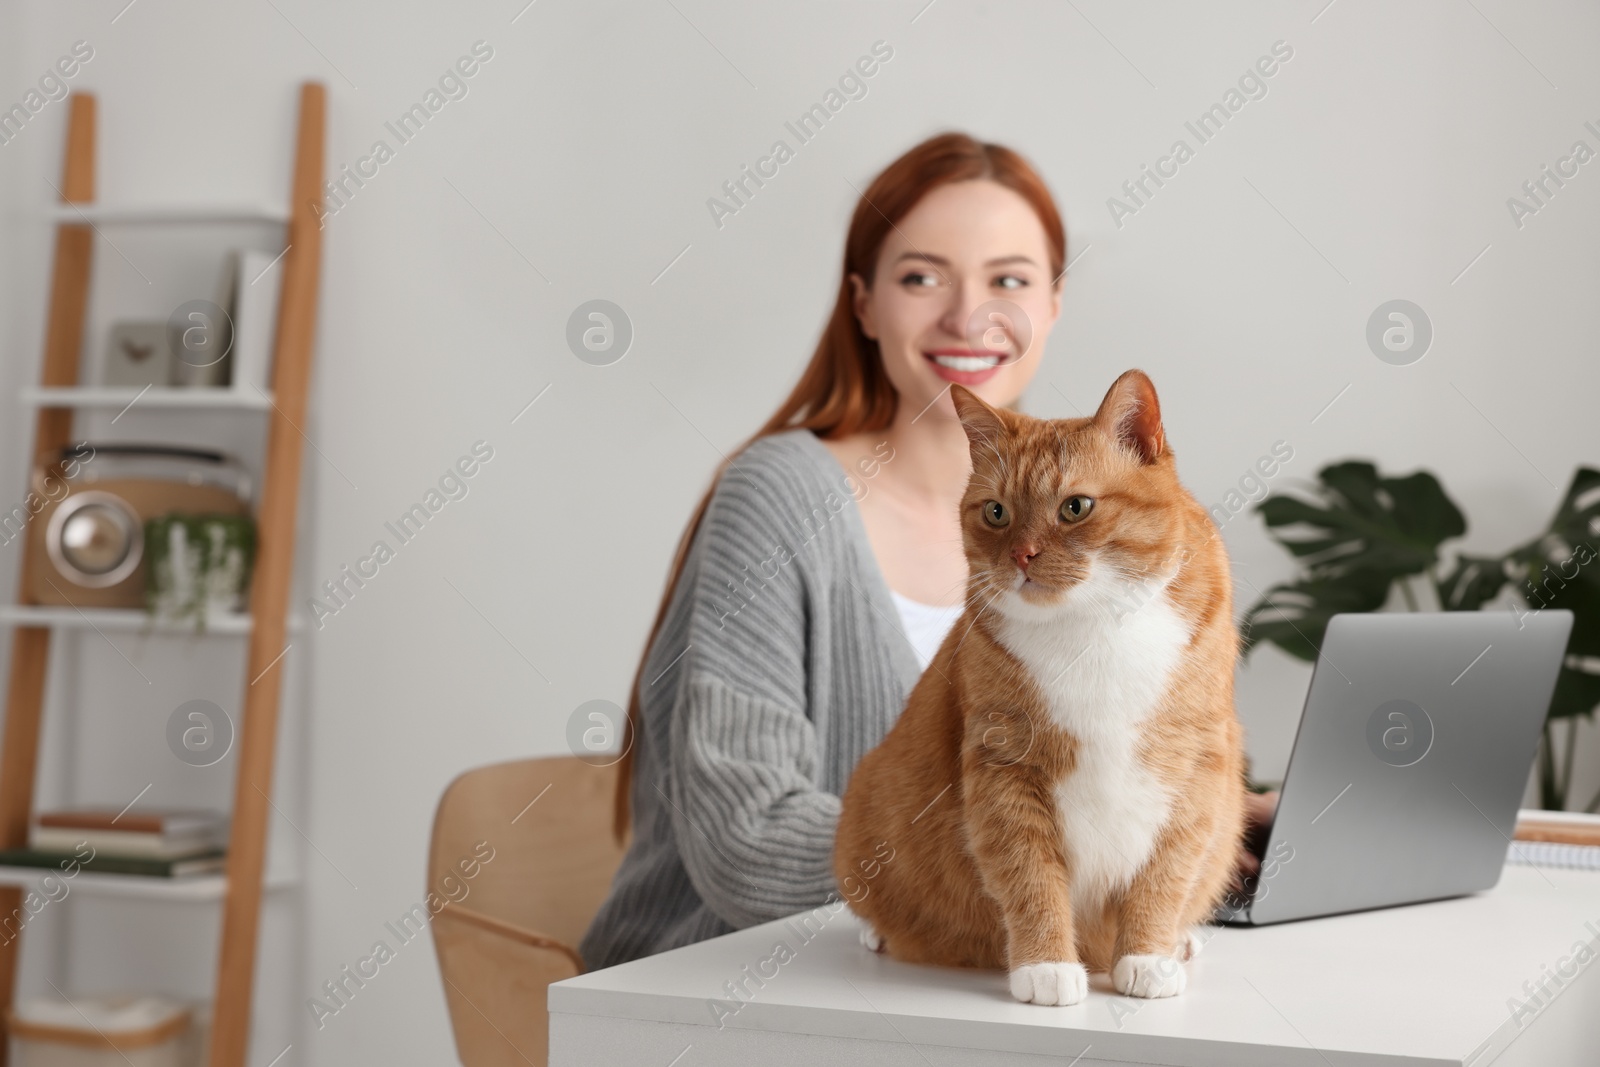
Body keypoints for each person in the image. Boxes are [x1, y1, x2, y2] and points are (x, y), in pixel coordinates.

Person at [578, 131, 1277, 971]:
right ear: (864, 303)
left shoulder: (1085, 490)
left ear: (1053, 304)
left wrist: (1190, 828)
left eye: (1008, 281)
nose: (966, 316)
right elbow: (744, 841)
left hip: (969, 969)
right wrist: (1000, 861)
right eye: (920, 277)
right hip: (747, 972)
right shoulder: (782, 497)